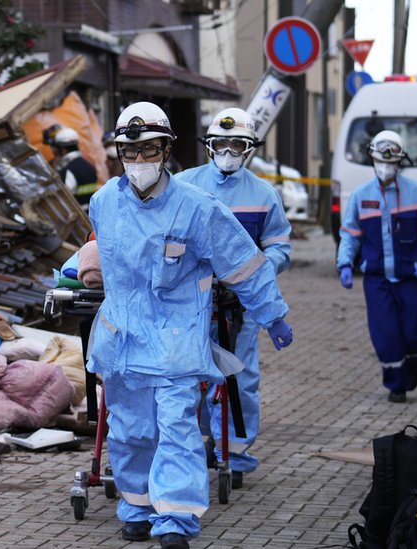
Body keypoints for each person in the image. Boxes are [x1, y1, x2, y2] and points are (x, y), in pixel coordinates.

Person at [85, 101, 294, 549]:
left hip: (176, 342)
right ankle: (137, 505)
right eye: (131, 152)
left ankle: (176, 518)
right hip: (122, 341)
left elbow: (243, 265)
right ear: (120, 154)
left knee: (178, 429)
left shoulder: (198, 208)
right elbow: (99, 257)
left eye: (149, 150)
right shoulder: (103, 203)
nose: (140, 161)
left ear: (166, 150)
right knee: (129, 430)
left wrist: (271, 313)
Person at [173, 107, 292, 490]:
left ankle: (235, 453)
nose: (227, 151)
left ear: (248, 148)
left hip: (241, 306)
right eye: (220, 143)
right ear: (208, 146)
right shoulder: (183, 186)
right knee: (189, 375)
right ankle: (200, 444)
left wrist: (256, 271)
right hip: (190, 303)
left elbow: (279, 247)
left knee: (240, 378)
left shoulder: (263, 194)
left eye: (235, 144)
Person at [336, 130, 417, 403]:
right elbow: (350, 234)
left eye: (391, 161)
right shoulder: (361, 196)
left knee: (414, 335)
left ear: (400, 162)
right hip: (377, 280)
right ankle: (397, 385)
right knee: (386, 335)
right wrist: (345, 263)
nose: (385, 167)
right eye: (379, 160)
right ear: (372, 160)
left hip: (411, 277)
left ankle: (413, 362)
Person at [45, 125, 99, 204]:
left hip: (79, 214)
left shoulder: (68, 169)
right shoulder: (89, 165)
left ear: (62, 149)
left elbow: (65, 198)